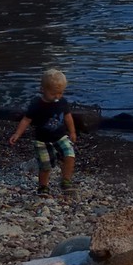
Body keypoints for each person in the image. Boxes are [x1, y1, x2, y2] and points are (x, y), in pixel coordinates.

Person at [7, 69, 78, 198]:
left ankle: (66, 180)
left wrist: (72, 131)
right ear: (42, 89)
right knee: (45, 165)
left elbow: (68, 116)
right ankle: (43, 186)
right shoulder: (37, 104)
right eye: (53, 93)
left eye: (60, 93)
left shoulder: (62, 102)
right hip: (42, 140)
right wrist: (17, 134)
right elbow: (26, 119)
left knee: (70, 155)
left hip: (60, 136)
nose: (57, 96)